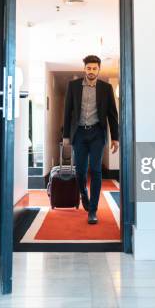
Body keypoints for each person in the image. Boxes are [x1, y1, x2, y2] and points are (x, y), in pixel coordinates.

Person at [62, 55, 119, 224]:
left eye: (94, 68)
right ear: (84, 69)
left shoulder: (106, 88)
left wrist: (115, 138)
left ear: (99, 69)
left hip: (97, 134)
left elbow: (112, 115)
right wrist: (66, 135)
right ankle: (83, 194)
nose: (91, 71)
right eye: (89, 68)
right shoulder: (73, 86)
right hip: (79, 134)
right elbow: (67, 111)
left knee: (96, 170)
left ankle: (93, 210)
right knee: (80, 171)